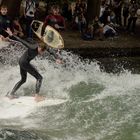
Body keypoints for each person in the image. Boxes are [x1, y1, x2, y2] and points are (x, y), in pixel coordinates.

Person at [5, 28, 63, 102]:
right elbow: (22, 41)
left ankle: (11, 94)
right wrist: (12, 35)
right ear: (38, 47)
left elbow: (51, 51)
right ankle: (37, 96)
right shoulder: (32, 47)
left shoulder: (44, 47)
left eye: (42, 52)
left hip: (22, 61)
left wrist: (57, 58)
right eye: (40, 51)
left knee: (23, 79)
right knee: (39, 78)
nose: (41, 53)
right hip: (24, 62)